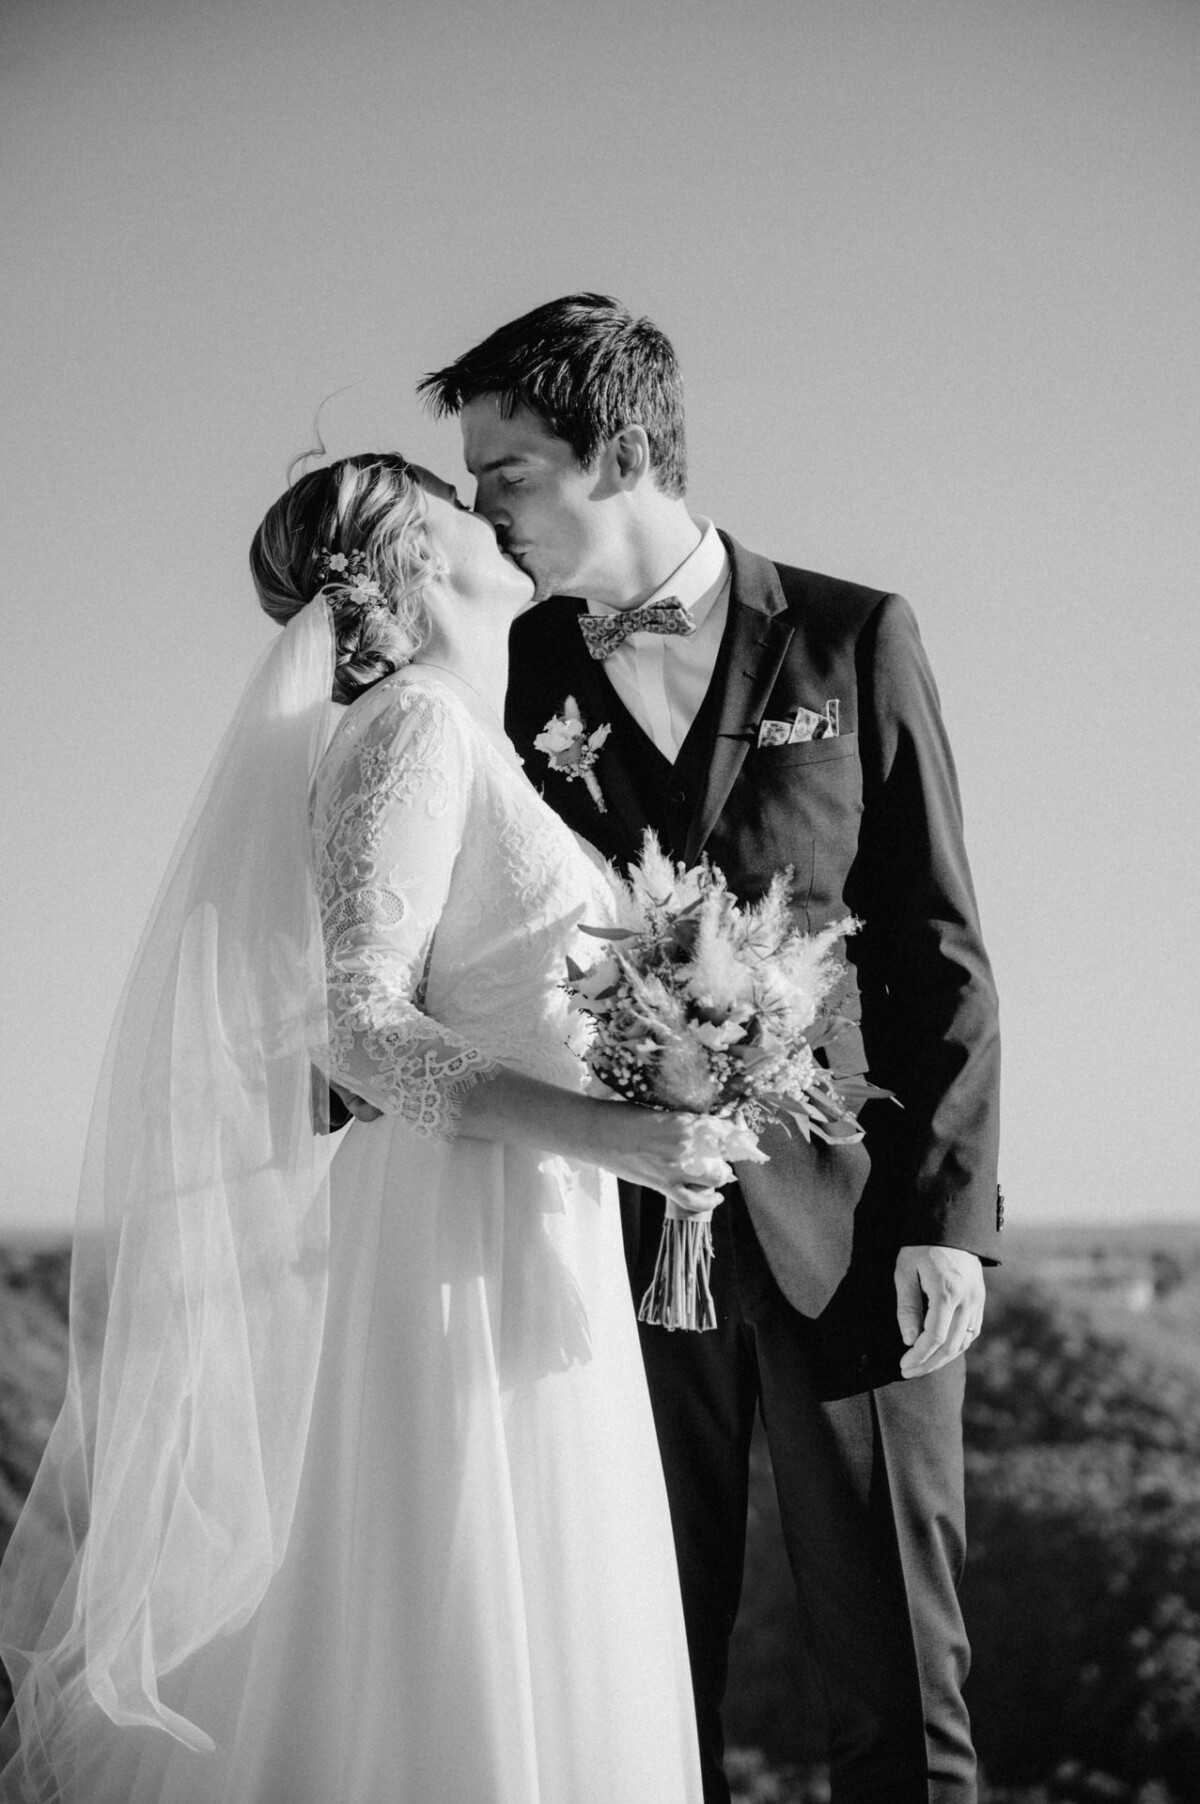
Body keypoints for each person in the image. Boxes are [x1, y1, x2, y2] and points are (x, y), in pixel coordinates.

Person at [0, 453, 707, 1803]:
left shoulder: (466, 732)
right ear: (414, 561)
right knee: (449, 1621)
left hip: (531, 1215)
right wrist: (609, 1134)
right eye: (455, 496)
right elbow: (361, 1029)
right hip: (459, 1238)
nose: (488, 505)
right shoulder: (417, 727)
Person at [418, 296, 1003, 1804]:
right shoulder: (509, 665)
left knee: (896, 1689)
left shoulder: (853, 634)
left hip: (847, 1235)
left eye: (508, 473)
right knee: (635, 1674)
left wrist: (945, 1223)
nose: (481, 512)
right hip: (595, 1248)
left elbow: (938, 948)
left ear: (617, 450)